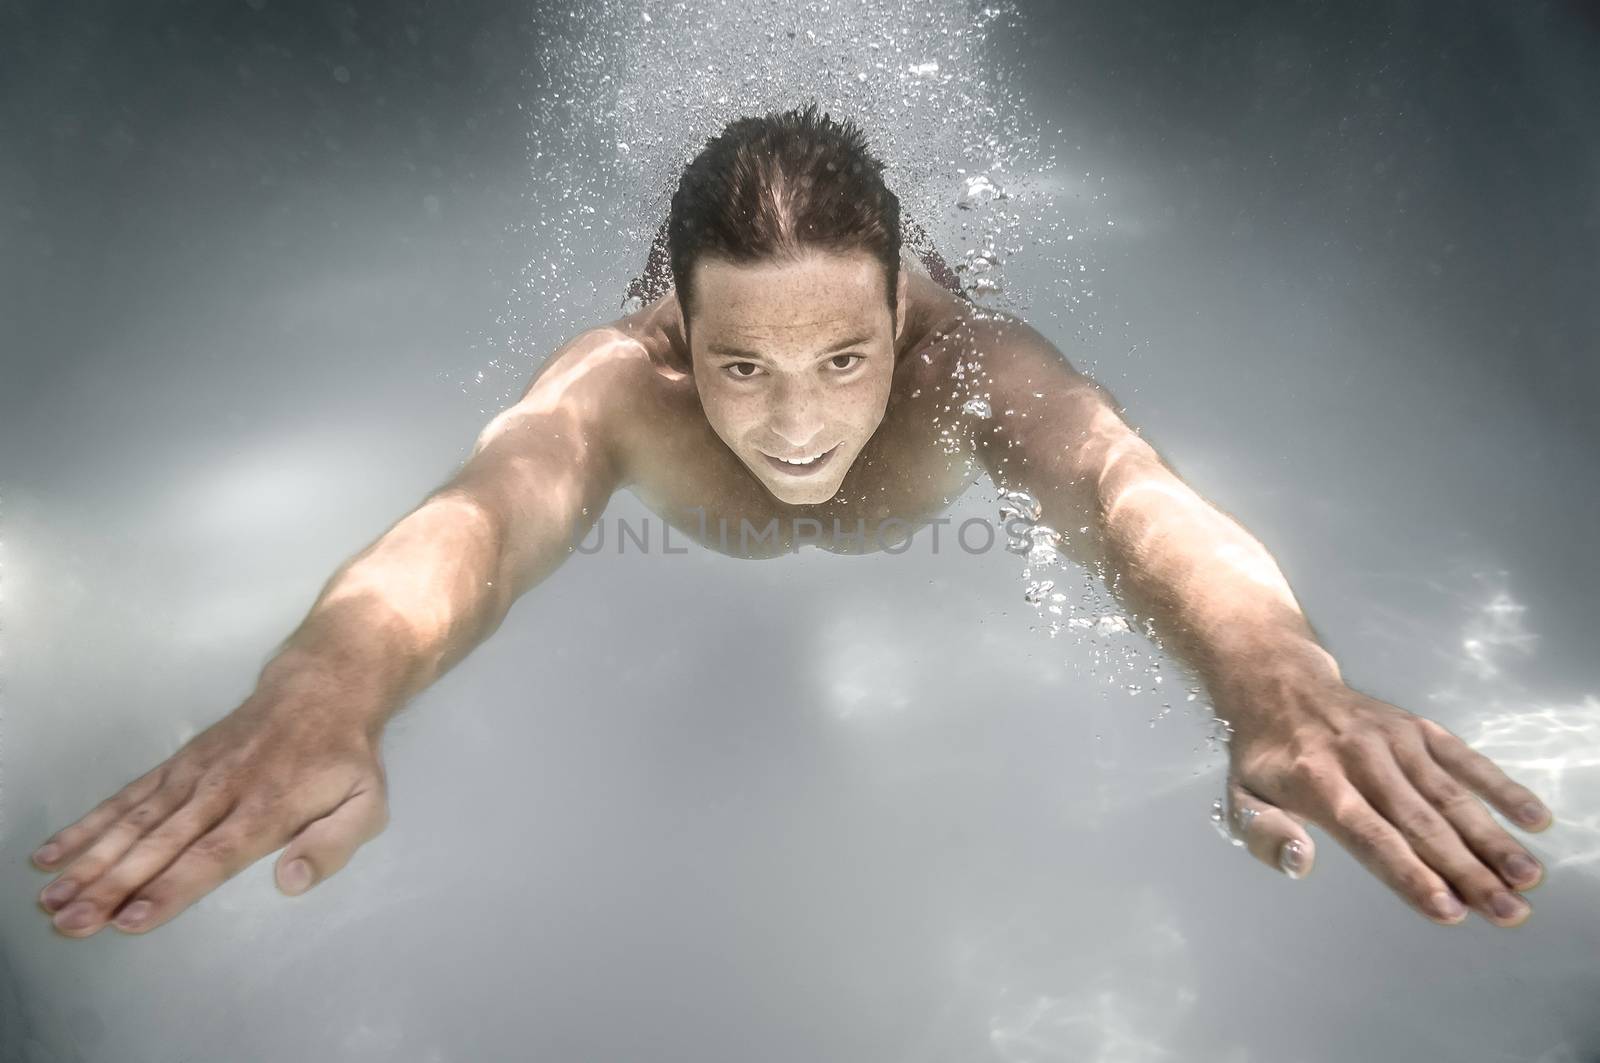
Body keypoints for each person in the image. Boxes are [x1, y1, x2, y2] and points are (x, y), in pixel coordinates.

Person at [32, 104, 1551, 939]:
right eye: (743, 368)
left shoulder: (973, 372)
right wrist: (324, 692)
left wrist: (1274, 684)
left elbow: (1124, 495)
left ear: (903, 315)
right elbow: (483, 521)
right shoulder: (623, 391)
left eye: (844, 358)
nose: (803, 421)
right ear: (678, 343)